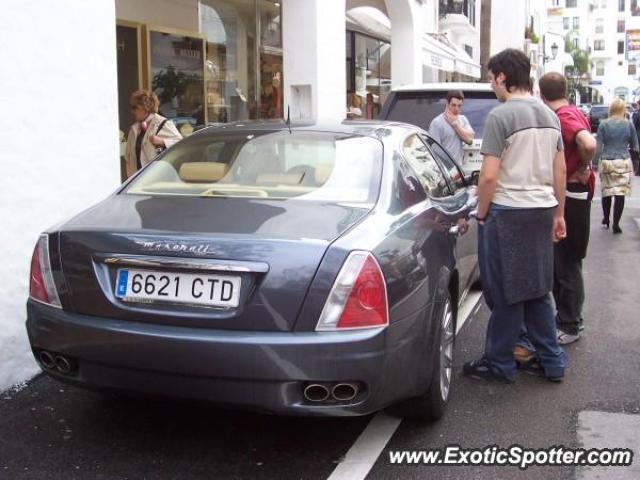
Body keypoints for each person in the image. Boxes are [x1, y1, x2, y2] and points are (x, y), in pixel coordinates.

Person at [462, 49, 568, 383]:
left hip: (507, 212)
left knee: (505, 291)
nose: (491, 84)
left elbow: (489, 176)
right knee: (537, 290)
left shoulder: (501, 116)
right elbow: (560, 172)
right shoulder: (549, 115)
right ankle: (553, 362)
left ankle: (499, 364)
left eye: (491, 77)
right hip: (541, 209)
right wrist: (559, 214)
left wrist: (480, 214)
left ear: (503, 77)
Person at [516, 73, 597, 351]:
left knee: (567, 263)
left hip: (571, 197)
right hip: (576, 196)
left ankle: (570, 323)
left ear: (541, 93)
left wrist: (580, 167)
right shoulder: (572, 110)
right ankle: (568, 318)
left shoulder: (562, 116)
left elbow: (588, 143)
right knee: (564, 262)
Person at [594, 98, 638, 234]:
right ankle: (616, 224)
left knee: (606, 192)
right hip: (623, 161)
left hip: (607, 161)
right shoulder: (628, 125)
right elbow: (635, 145)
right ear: (623, 110)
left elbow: (598, 147)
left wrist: (595, 163)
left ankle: (606, 218)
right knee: (620, 194)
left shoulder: (603, 125)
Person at [124, 90, 182, 179]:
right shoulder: (134, 128)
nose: (132, 111)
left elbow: (181, 144)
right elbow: (128, 157)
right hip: (137, 182)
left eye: (135, 107)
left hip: (157, 180)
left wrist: (162, 141)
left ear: (145, 107)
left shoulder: (163, 123)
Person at [428, 90, 474, 165]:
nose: (456, 109)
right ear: (447, 104)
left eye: (459, 106)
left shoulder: (463, 119)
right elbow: (434, 150)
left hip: (458, 168)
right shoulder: (437, 123)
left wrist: (456, 125)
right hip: (444, 169)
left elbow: (469, 140)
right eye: (453, 105)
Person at [630, 101, 640, 175]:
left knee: (637, 154)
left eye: (637, 105)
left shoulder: (636, 114)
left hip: (638, 136)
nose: (636, 106)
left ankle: (637, 171)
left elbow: (634, 126)